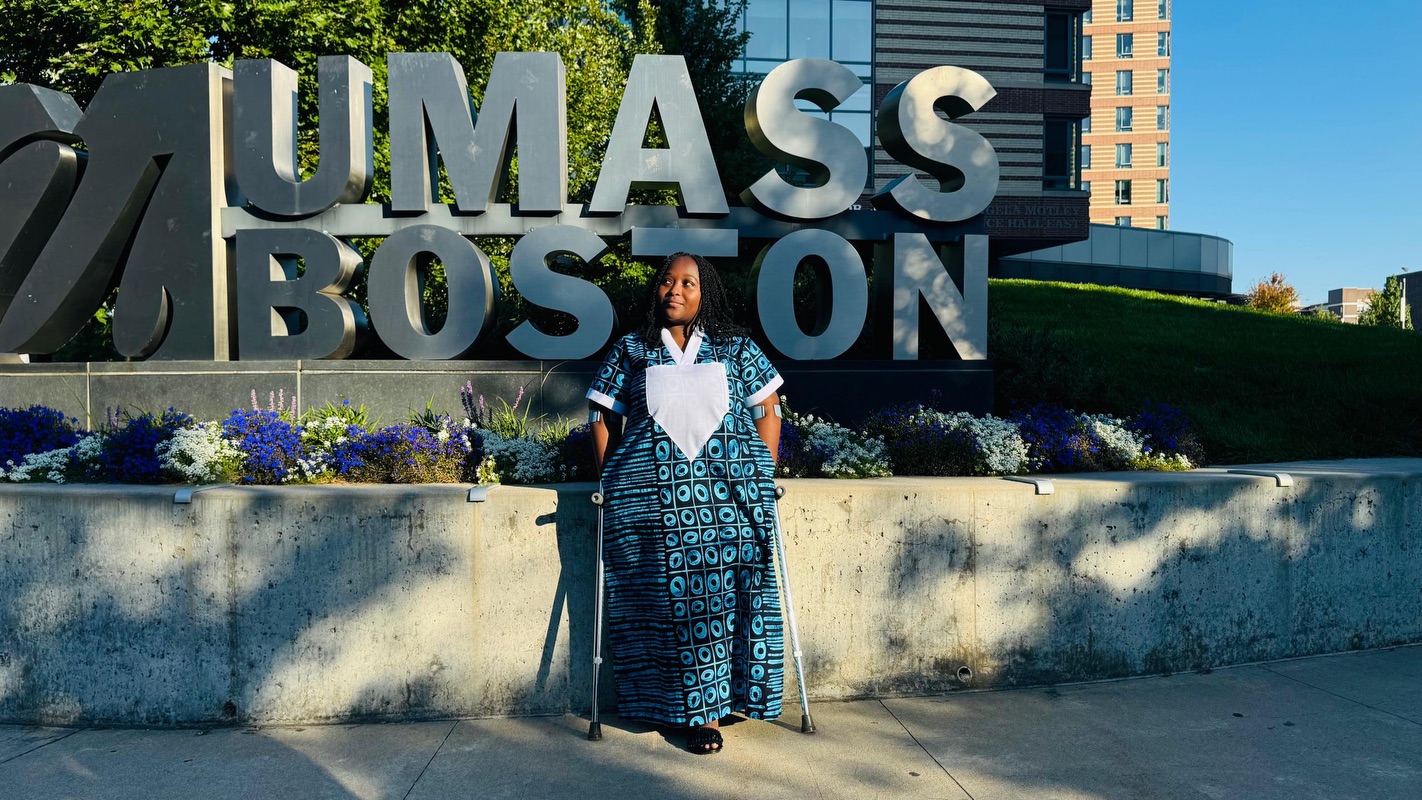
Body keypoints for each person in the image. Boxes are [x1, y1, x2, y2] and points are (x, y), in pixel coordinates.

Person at [587, 252, 785, 755]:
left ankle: (716, 707)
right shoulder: (632, 348)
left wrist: (760, 468)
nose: (675, 290)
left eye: (688, 283)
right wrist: (614, 477)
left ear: (705, 292)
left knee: (719, 601)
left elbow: (769, 407)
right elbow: (602, 416)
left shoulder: (736, 348)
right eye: (667, 282)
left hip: (727, 504)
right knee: (659, 605)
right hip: (648, 505)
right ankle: (674, 709)